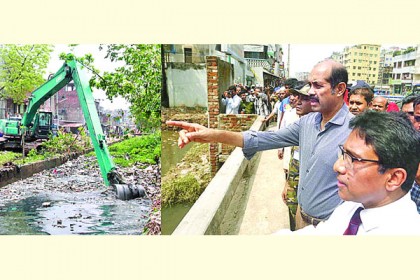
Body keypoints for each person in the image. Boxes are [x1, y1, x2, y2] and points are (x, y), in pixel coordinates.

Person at [167, 59, 353, 229]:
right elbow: (262, 139)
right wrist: (212, 135)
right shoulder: (307, 122)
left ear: (339, 89)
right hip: (301, 217)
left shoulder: (356, 131)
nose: (310, 91)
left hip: (333, 227)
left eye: (318, 86)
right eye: (310, 85)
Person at [292, 111, 420, 234]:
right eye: (344, 153)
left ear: (393, 178)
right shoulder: (355, 205)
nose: (337, 166)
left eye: (354, 159)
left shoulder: (405, 232)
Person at [281, 82, 312, 230]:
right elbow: (295, 159)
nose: (297, 101)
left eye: (304, 98)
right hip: (294, 186)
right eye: (297, 97)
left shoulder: (318, 131)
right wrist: (287, 183)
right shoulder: (302, 125)